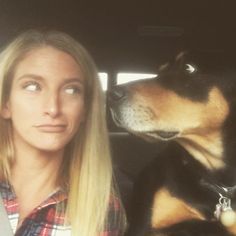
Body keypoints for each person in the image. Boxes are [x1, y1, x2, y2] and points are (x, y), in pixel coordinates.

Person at [0, 30, 126, 235]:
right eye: (32, 86)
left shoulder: (102, 210)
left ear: (85, 109)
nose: (53, 108)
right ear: (6, 103)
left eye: (71, 90)